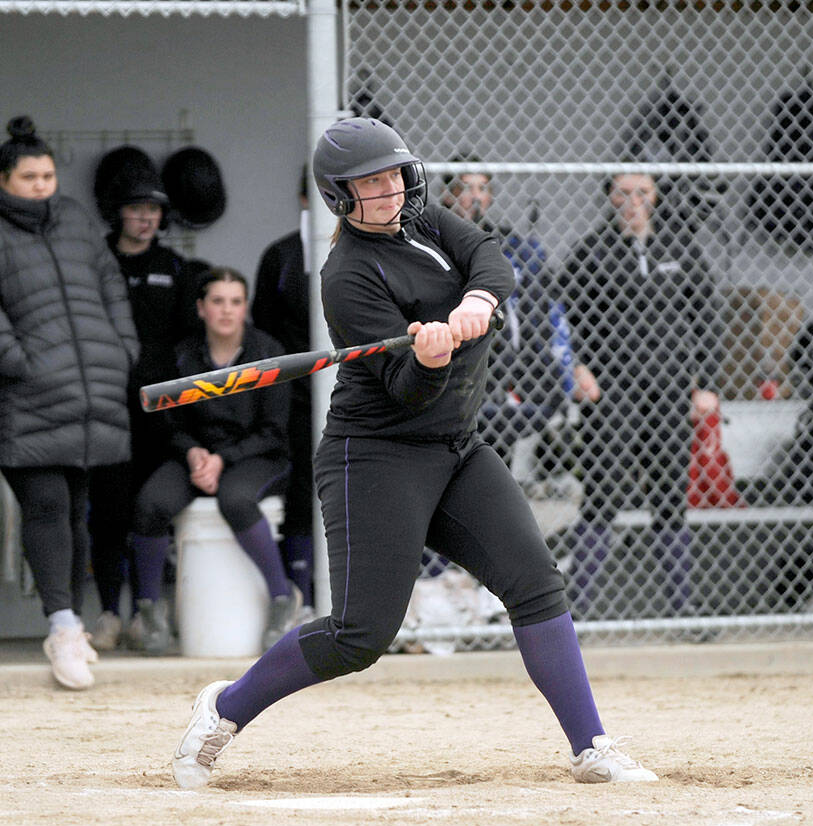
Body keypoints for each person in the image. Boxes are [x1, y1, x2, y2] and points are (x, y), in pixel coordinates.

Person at [170, 117, 657, 789]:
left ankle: (591, 744)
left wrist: (478, 300)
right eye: (371, 182)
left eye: (395, 173)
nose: (391, 189)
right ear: (341, 195)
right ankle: (224, 707)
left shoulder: (426, 220)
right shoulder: (346, 276)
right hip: (374, 454)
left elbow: (490, 257)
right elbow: (405, 393)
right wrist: (431, 356)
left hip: (456, 447)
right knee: (360, 634)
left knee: (536, 582)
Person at [0, 116, 139, 690]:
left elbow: (110, 286)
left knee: (77, 512)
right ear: (5, 180)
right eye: (29, 176)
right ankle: (61, 628)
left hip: (89, 389)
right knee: (48, 504)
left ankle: (71, 623)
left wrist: (122, 346)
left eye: (48, 175)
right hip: (26, 393)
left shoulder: (76, 222)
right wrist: (19, 360)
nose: (40, 185)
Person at [557, 171, 726, 619]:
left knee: (670, 494)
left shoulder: (680, 249)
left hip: (668, 388)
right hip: (612, 391)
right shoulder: (592, 252)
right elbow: (562, 316)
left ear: (655, 197)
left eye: (642, 193)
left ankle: (682, 606)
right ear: (610, 198)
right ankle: (578, 608)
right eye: (623, 193)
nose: (633, 202)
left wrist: (705, 383)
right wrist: (576, 367)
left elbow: (706, 316)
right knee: (603, 491)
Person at [128, 267, 296, 655]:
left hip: (258, 456)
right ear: (201, 308)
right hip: (199, 457)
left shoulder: (269, 353)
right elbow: (170, 423)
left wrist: (223, 458)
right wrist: (193, 452)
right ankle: (149, 612)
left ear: (246, 307)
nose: (226, 311)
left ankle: (282, 600)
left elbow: (274, 431)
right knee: (151, 503)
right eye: (217, 301)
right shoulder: (183, 354)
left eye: (235, 302)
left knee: (235, 499)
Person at [88, 162, 207, 652]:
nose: (146, 219)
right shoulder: (96, 263)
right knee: (107, 513)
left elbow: (185, 344)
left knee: (146, 511)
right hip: (106, 405)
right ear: (119, 214)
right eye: (137, 209)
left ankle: (146, 613)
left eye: (154, 211)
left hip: (160, 414)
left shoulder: (175, 267)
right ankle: (109, 615)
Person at [439, 154, 574, 469]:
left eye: (481, 188)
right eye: (465, 187)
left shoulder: (508, 245)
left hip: (508, 370)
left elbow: (542, 305)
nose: (474, 196)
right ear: (448, 194)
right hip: (458, 368)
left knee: (495, 461)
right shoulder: (437, 240)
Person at [251, 168, 316, 614]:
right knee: (301, 490)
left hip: (361, 395)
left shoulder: (370, 253)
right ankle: (303, 596)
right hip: (297, 399)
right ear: (303, 198)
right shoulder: (282, 256)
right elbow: (265, 336)